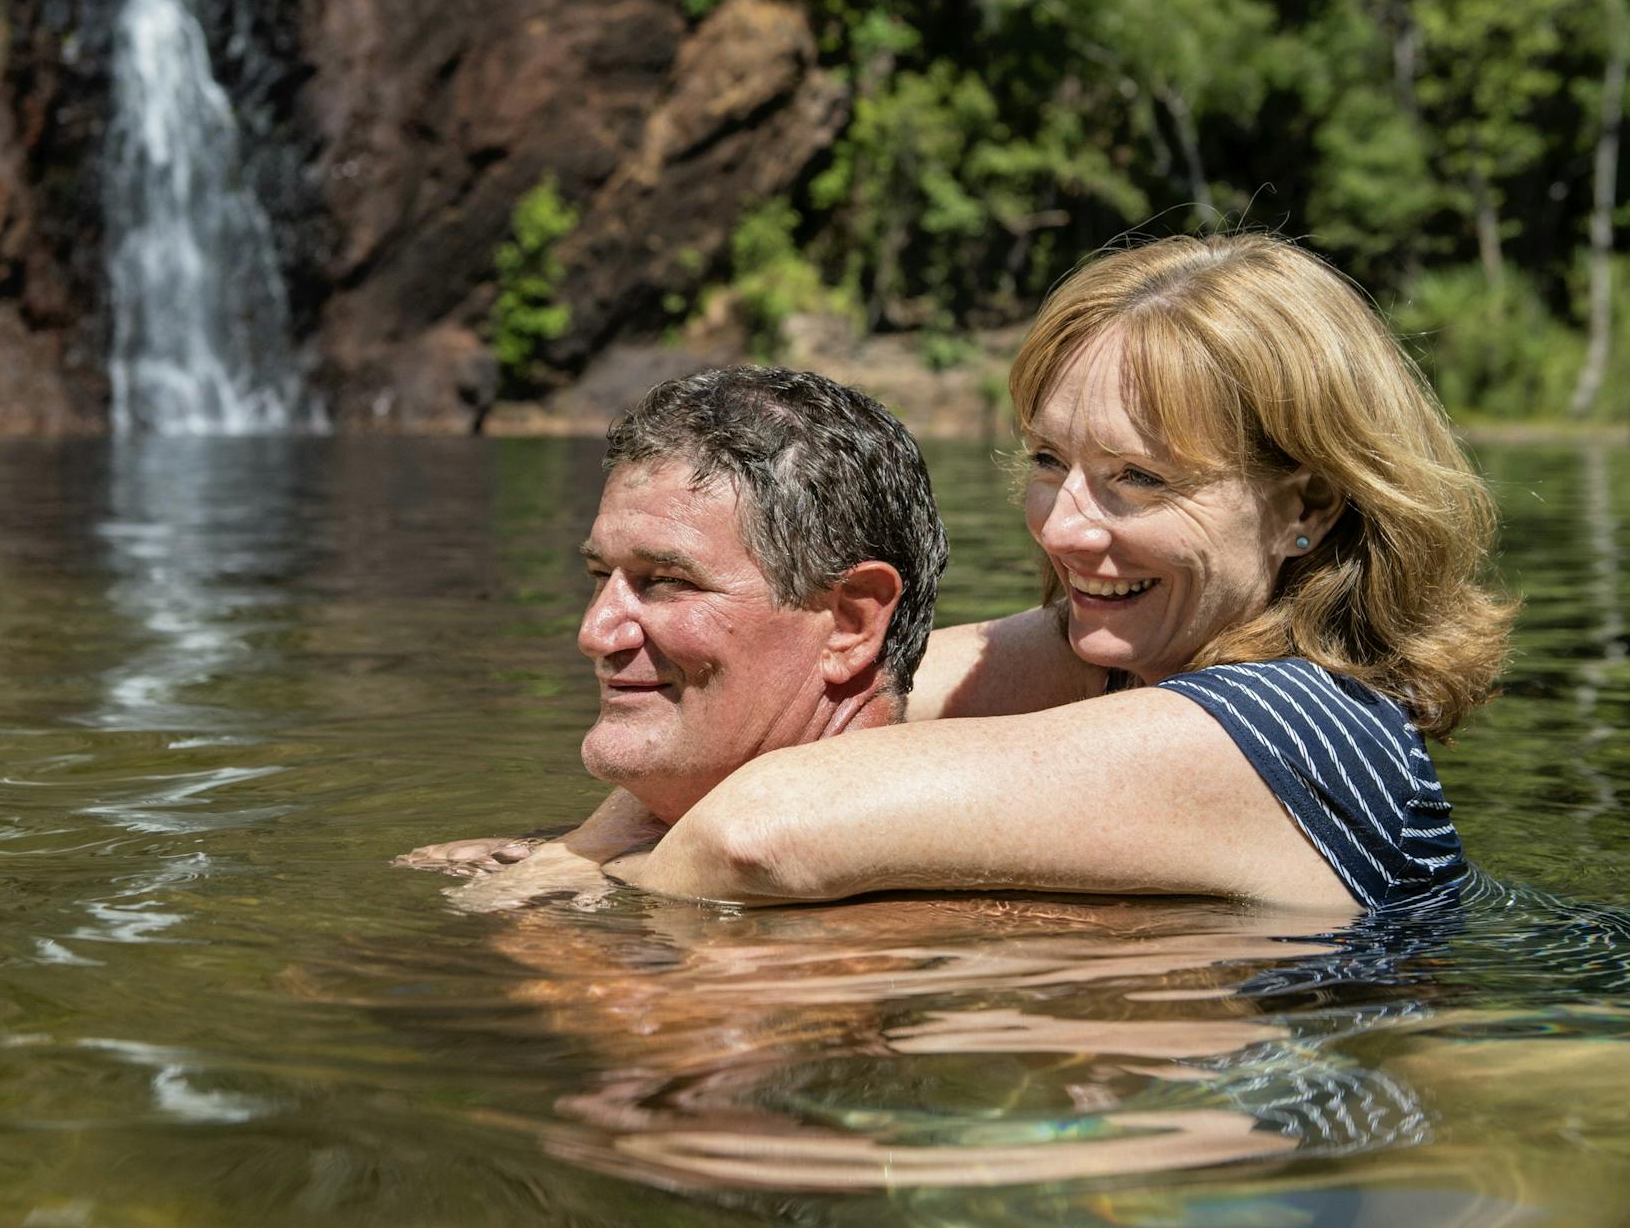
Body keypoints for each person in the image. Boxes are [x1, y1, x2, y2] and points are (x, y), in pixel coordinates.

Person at [417, 232, 1513, 913]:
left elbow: (764, 825)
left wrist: (571, 899)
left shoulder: (1298, 728)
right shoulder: (1117, 663)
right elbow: (812, 704)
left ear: (1305, 506)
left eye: (1136, 479)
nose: (1064, 530)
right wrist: (580, 844)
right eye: (1048, 462)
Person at [400, 363, 951, 898]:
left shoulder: (878, 925)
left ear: (850, 624)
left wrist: (559, 945)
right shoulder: (594, 858)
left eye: (666, 580)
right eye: (599, 575)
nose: (595, 633)